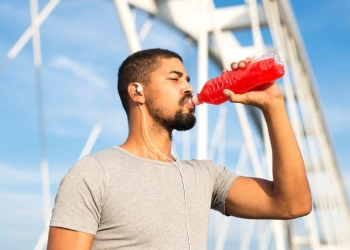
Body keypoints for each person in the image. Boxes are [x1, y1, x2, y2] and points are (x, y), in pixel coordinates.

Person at [47, 48, 311, 249]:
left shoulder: (205, 176)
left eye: (187, 79)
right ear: (137, 92)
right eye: (175, 79)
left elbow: (292, 205)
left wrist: (273, 104)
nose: (189, 88)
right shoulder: (94, 173)